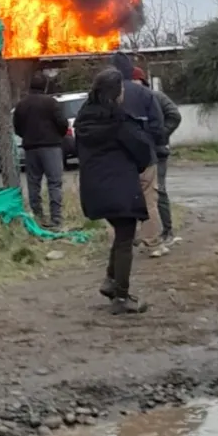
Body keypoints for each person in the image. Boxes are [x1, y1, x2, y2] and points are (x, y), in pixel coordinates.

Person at [74, 68, 153, 315]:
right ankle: (121, 296)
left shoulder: (84, 119)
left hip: (94, 187)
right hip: (119, 185)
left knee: (121, 234)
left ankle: (110, 282)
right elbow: (141, 149)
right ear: (115, 93)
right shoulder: (118, 121)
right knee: (126, 239)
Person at [111, 53, 167, 251]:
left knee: (122, 199)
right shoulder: (144, 93)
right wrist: (154, 143)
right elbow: (158, 124)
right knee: (148, 199)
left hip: (117, 156)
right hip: (144, 155)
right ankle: (153, 243)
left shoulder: (105, 95)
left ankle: (125, 242)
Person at [133, 68, 183, 250]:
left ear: (142, 82)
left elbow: (175, 116)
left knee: (158, 190)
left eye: (135, 82)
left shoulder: (156, 97)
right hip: (139, 153)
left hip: (158, 152)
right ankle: (147, 234)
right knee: (139, 193)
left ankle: (167, 231)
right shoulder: (130, 100)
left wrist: (161, 136)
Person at [13, 72, 68, 228]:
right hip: (51, 146)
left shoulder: (21, 104)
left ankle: (38, 217)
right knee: (54, 182)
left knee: (33, 182)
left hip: (30, 147)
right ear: (45, 87)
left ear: (30, 86)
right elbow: (62, 123)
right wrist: (59, 135)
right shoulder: (51, 103)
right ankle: (56, 218)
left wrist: (28, 136)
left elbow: (17, 127)